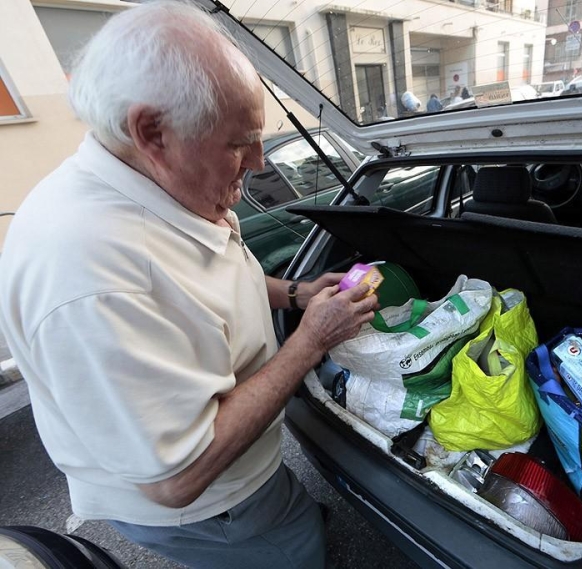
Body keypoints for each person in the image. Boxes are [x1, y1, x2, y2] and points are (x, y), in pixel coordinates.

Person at [0, 2, 378, 568]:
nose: (256, 162)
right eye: (238, 142)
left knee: (287, 513)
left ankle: (285, 518)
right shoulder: (91, 276)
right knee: (289, 549)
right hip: (214, 504)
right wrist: (311, 340)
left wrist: (295, 295)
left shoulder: (155, 180)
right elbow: (179, 478)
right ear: (152, 130)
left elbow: (216, 275)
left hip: (245, 480)